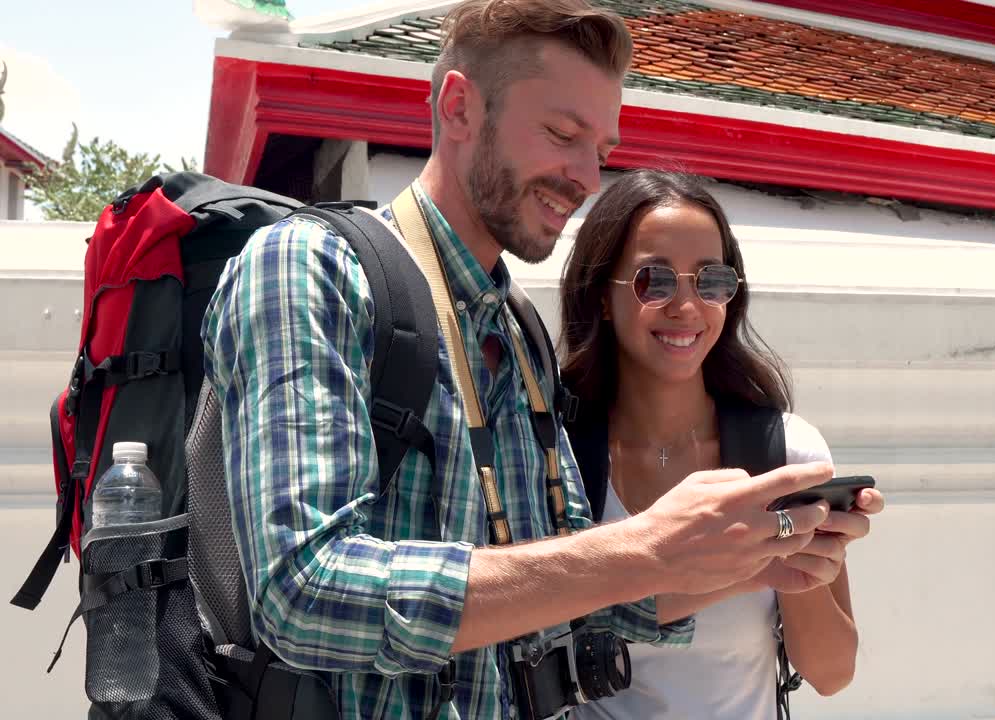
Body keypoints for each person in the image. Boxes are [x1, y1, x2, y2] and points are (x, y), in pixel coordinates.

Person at [200, 1, 859, 719]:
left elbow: (571, 602)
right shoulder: (312, 269)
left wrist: (750, 555)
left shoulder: (519, 336)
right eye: (561, 134)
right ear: (458, 108)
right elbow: (304, 592)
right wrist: (644, 549)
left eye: (599, 150)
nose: (584, 177)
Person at [558, 170, 883, 719]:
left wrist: (795, 556)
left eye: (711, 282)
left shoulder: (783, 456)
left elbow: (832, 674)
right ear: (603, 298)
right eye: (653, 281)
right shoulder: (557, 457)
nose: (686, 307)